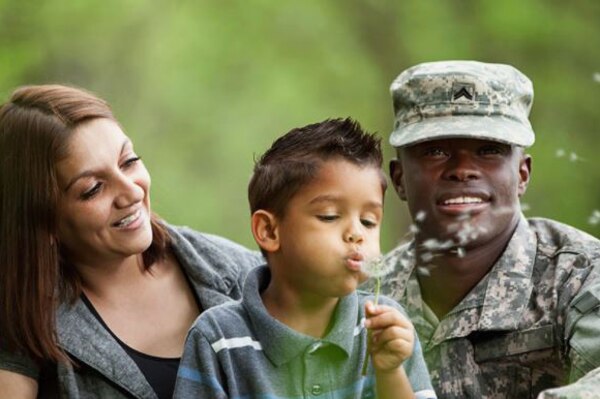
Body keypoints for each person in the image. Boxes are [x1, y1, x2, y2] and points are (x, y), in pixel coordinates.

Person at [0, 84, 263, 398]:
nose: (132, 192)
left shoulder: (245, 272)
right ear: (41, 220)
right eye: (93, 188)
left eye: (129, 161)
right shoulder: (18, 318)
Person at [379, 60, 600, 398]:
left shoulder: (581, 275)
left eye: (489, 151)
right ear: (399, 179)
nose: (463, 170)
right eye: (435, 151)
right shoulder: (365, 296)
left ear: (523, 174)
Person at [174, 118, 437, 399]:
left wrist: (390, 371)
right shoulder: (218, 338)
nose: (356, 234)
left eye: (369, 221)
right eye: (330, 216)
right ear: (269, 230)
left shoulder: (386, 327)